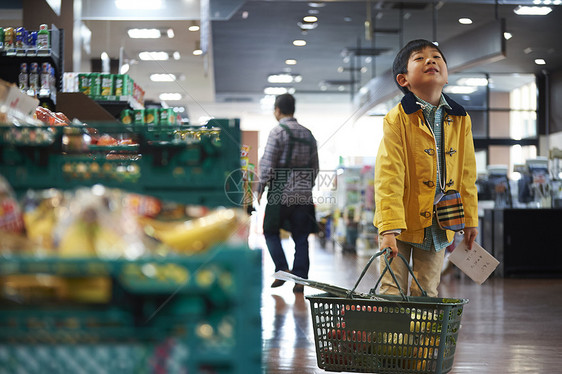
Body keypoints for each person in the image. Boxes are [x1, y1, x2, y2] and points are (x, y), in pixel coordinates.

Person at [374, 39, 479, 297]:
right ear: (403, 79)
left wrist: (470, 219)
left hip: (441, 223)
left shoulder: (460, 116)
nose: (431, 60)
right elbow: (389, 176)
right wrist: (388, 229)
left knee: (427, 292)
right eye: (419, 58)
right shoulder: (397, 118)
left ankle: (423, 339)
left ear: (446, 74)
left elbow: (467, 173)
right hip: (400, 223)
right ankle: (392, 339)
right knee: (391, 291)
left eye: (436, 57)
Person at [257, 93, 319, 293]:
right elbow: (315, 167)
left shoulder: (277, 132)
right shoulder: (309, 134)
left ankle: (282, 268)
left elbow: (267, 164)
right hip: (304, 194)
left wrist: (259, 189)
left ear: (277, 110)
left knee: (269, 230)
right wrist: (306, 186)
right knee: (301, 237)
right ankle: (300, 278)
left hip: (280, 192)